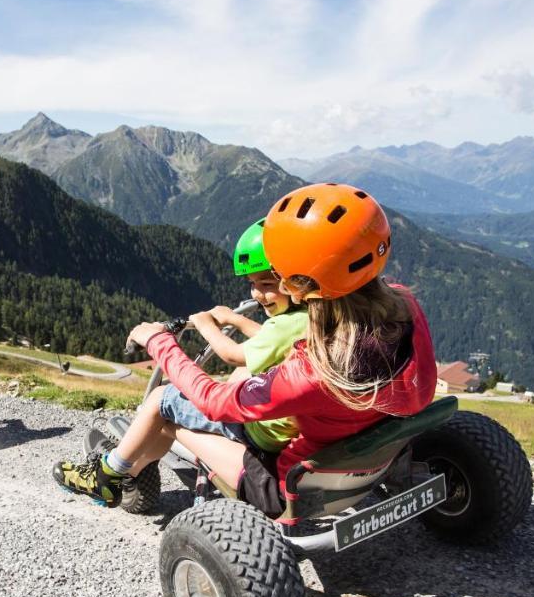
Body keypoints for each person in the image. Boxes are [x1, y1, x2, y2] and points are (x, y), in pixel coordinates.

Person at [51, 183, 437, 514]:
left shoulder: (311, 371)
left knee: (168, 401)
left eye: (284, 275)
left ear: (303, 282)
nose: (281, 287)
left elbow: (214, 402)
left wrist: (160, 343)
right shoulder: (404, 307)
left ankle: (108, 475)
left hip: (285, 484)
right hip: (371, 447)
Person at [87, 218, 308, 502]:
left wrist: (206, 325)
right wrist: (236, 319)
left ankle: (117, 472)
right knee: (239, 374)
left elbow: (231, 353)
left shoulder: (287, 324)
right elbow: (271, 339)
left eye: (267, 283)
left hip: (260, 431)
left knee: (162, 400)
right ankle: (133, 469)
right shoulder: (311, 317)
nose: (256, 293)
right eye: (252, 284)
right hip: (287, 425)